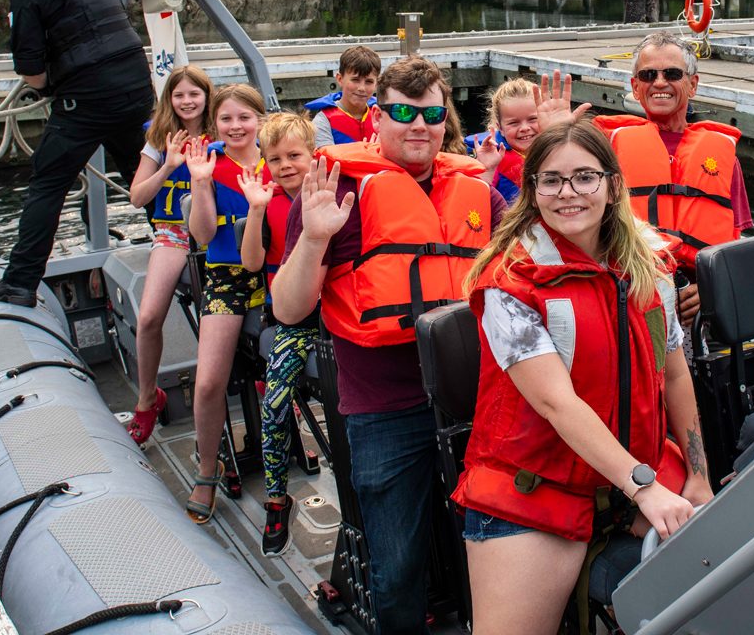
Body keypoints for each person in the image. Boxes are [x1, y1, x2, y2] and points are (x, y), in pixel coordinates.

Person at [272, 56, 508, 633]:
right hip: (383, 408)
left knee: (491, 538)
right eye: (402, 112)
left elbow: (527, 256)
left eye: (430, 113)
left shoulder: (475, 192)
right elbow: (288, 307)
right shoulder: (332, 193)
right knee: (396, 563)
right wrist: (315, 238)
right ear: (376, 117)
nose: (418, 126)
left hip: (472, 399)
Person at [452, 121, 714, 635]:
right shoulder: (510, 283)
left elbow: (675, 374)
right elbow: (556, 404)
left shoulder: (649, 267)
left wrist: (699, 476)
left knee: (729, 586)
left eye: (584, 177)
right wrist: (645, 489)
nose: (567, 193)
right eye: (550, 181)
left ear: (613, 185)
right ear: (531, 192)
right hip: (536, 485)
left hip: (639, 467)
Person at [0, 0, 154, 306]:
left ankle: (19, 282)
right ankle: (182, 250)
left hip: (87, 96)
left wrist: (49, 87)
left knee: (47, 185)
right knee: (145, 169)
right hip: (136, 83)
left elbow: (31, 70)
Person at [593, 32, 754, 328]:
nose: (659, 82)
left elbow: (735, 248)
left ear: (692, 85)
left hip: (697, 302)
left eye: (672, 73)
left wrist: (711, 290)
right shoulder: (603, 151)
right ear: (635, 87)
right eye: (648, 74)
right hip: (627, 296)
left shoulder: (723, 156)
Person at [181, 83, 270, 524]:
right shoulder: (209, 166)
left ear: (260, 120)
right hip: (227, 278)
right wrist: (199, 183)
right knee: (209, 381)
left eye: (244, 118)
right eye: (226, 119)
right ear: (215, 123)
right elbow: (200, 234)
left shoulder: (279, 160)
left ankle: (282, 443)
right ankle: (206, 467)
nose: (236, 127)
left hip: (274, 275)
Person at [236, 111, 323, 556]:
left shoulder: (332, 195)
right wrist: (255, 209)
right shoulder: (269, 204)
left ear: (313, 155)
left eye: (294, 155)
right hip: (293, 321)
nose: (286, 165)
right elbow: (252, 263)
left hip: (334, 316)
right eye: (275, 159)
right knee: (274, 402)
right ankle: (276, 496)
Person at [124, 65, 214, 445]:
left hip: (215, 234)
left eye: (194, 94)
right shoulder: (159, 138)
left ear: (206, 97)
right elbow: (137, 197)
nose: (187, 101)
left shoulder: (223, 131)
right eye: (180, 95)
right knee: (148, 318)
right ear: (169, 100)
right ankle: (148, 397)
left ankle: (263, 383)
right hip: (174, 234)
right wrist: (169, 166)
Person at [468, 78, 539, 203]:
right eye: (514, 123)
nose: (524, 128)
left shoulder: (558, 150)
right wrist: (487, 169)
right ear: (500, 127)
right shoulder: (490, 159)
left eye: (533, 119)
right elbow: (475, 199)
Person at [305, 46, 381, 147]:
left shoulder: (383, 115)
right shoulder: (323, 121)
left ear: (376, 84)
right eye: (355, 80)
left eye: (369, 82)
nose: (362, 88)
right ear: (340, 79)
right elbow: (327, 159)